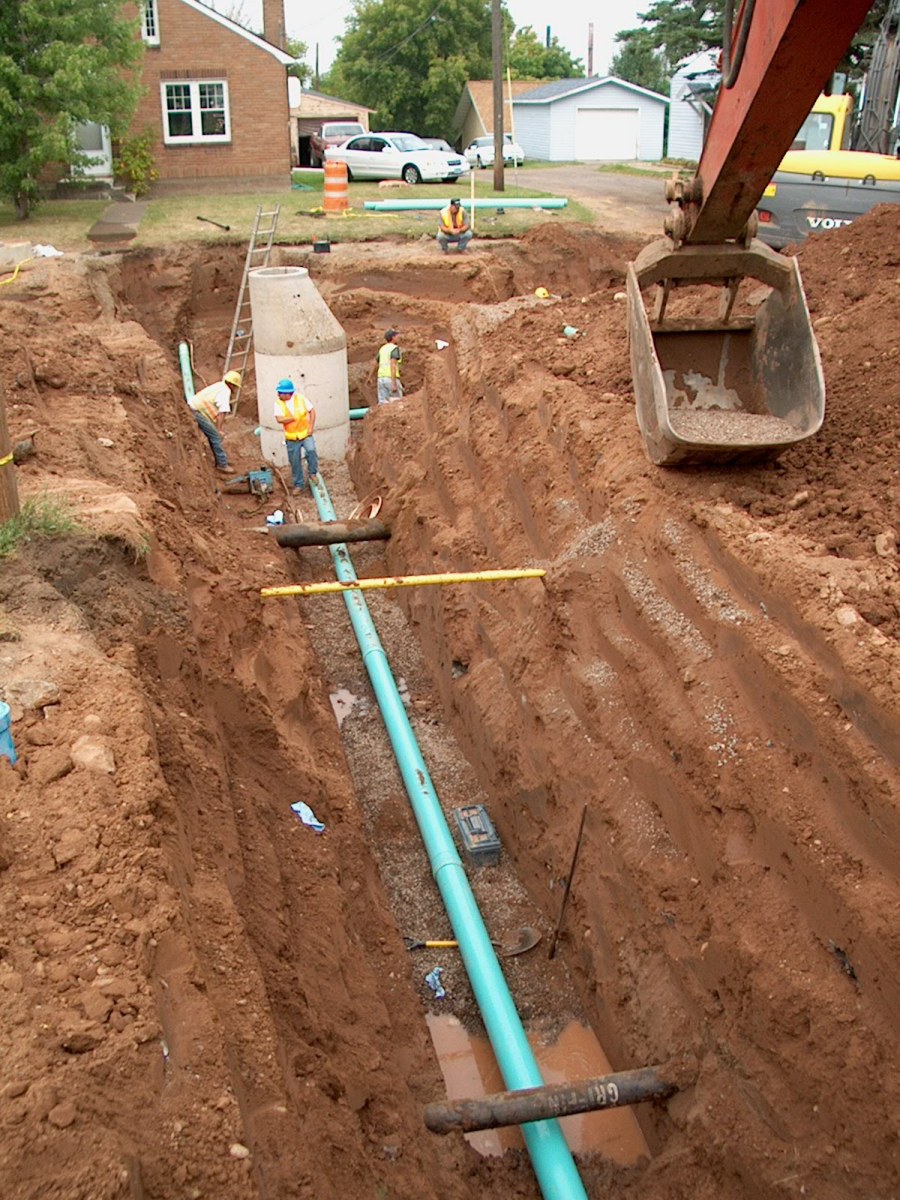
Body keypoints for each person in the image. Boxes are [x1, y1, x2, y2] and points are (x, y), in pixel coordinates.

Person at [188, 370, 241, 473]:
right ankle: (222, 464)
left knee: (212, 435)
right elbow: (222, 411)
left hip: (194, 407)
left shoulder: (219, 385)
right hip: (197, 412)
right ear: (232, 384)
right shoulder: (225, 391)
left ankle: (220, 461)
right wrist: (219, 429)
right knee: (216, 436)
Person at [274, 378, 319, 493]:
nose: (278, 394)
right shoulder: (278, 404)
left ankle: (312, 473)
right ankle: (299, 484)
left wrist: (311, 427)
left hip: (305, 434)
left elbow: (312, 411)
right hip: (292, 438)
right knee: (295, 461)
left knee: (311, 451)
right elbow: (279, 419)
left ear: (288, 393)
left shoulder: (301, 399)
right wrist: (292, 418)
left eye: (280, 393)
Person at [373, 329, 403, 405]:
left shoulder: (382, 349)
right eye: (397, 335)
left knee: (383, 405)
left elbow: (374, 363)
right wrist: (394, 384)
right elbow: (393, 365)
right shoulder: (394, 349)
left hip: (381, 380)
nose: (399, 337)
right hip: (390, 379)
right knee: (396, 403)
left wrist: (369, 377)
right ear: (393, 337)